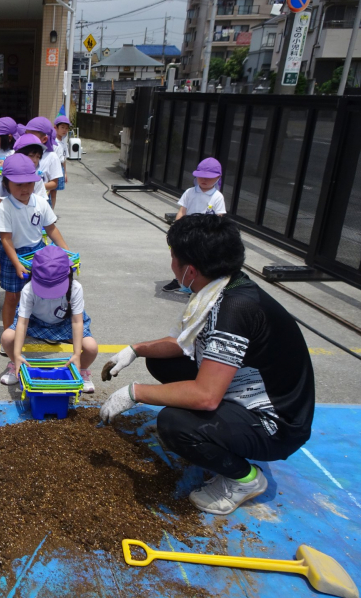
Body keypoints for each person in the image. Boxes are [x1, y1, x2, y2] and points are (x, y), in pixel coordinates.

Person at [99, 215, 315, 516]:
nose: (170, 263)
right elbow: (181, 344)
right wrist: (135, 350)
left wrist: (133, 393)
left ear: (189, 270)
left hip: (276, 424)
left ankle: (245, 479)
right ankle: (218, 433)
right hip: (244, 388)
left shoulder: (233, 310)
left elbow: (206, 396)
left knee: (175, 425)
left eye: (173, 256)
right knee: (162, 363)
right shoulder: (223, 287)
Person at [0, 154, 68, 356]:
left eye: (29, 183)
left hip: (37, 254)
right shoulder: (5, 207)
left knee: (40, 296)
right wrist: (17, 263)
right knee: (12, 297)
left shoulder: (41, 202)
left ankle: (40, 331)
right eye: (18, 184)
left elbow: (51, 229)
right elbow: (6, 239)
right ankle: (7, 337)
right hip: (13, 256)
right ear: (6, 184)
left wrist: (65, 252)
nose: (24, 189)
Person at [0, 245, 97, 392]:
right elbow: (23, 321)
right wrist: (18, 354)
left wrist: (77, 354)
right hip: (35, 322)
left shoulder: (75, 288)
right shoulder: (28, 289)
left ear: (68, 273)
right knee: (7, 338)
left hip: (65, 324)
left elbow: (77, 322)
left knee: (91, 347)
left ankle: (81, 370)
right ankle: (17, 364)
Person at [0, 136, 50, 317]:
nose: (35, 160)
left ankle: (24, 322)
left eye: (38, 157)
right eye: (31, 156)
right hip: (8, 234)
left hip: (30, 237)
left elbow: (44, 212)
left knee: (28, 292)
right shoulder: (7, 188)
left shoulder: (34, 181)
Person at [163, 158, 226, 292]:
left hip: (204, 233)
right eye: (201, 177)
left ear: (218, 178)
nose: (204, 180)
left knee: (199, 259)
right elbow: (182, 211)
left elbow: (219, 217)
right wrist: (176, 228)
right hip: (187, 231)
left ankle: (197, 284)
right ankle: (178, 280)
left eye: (209, 178)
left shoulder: (217, 196)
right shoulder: (190, 192)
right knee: (181, 257)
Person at [24, 116, 64, 209]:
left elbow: (54, 183)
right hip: (23, 198)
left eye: (32, 135)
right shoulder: (22, 152)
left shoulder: (52, 157)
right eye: (26, 134)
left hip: (41, 200)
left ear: (44, 139)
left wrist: (37, 186)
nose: (27, 138)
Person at [53, 115, 71, 203]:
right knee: (49, 191)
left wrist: (65, 173)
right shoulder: (53, 142)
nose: (64, 130)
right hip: (53, 168)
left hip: (60, 169)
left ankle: (51, 212)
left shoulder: (64, 143)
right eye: (62, 127)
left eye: (66, 128)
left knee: (54, 192)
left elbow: (64, 159)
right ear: (55, 128)